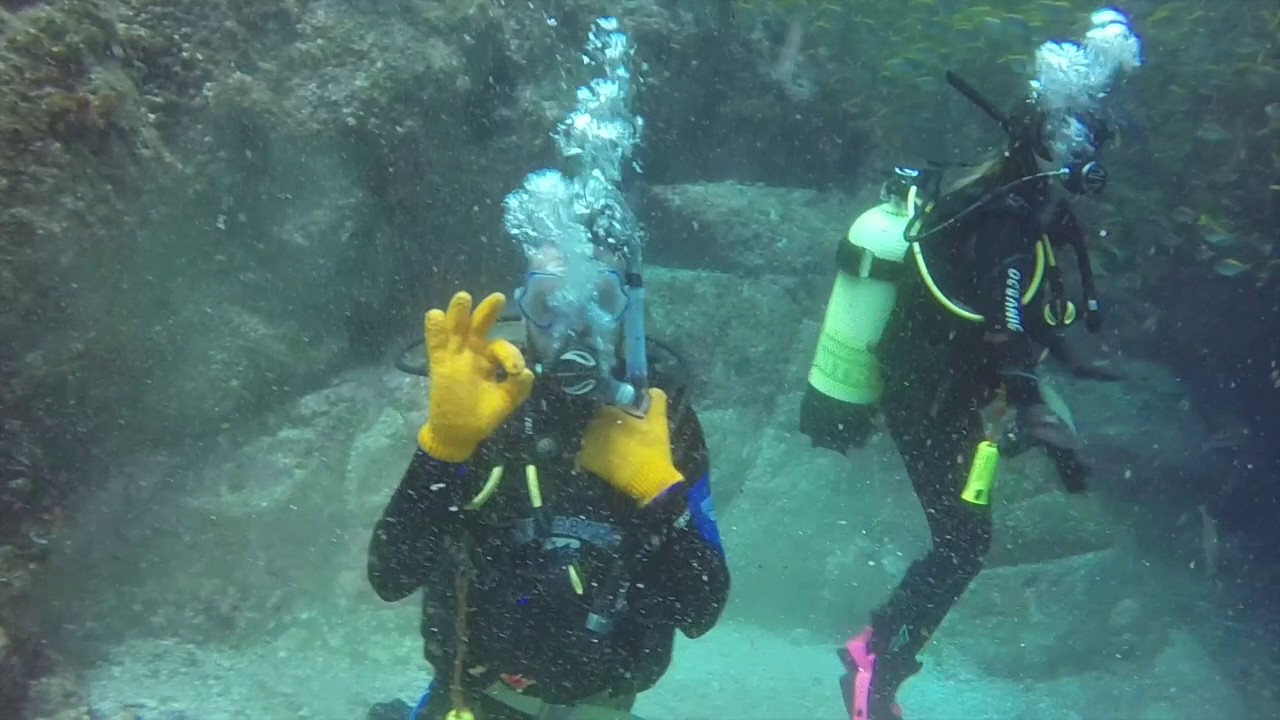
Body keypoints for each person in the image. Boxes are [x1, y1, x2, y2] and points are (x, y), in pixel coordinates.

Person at [799, 9, 1143, 719]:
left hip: (941, 391)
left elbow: (1039, 321)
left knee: (962, 540)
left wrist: (1067, 384)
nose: (1093, 156)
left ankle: (875, 649)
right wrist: (1034, 411)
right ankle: (875, 666)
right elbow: (1006, 322)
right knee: (962, 543)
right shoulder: (1009, 216)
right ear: (1051, 141)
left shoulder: (1023, 204)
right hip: (929, 395)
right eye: (1085, 138)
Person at [366, 241, 729, 720]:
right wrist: (443, 449)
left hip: (603, 708)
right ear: (523, 309)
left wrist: (659, 492)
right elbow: (391, 576)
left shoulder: (662, 422)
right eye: (548, 304)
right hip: (472, 700)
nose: (574, 327)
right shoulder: (486, 405)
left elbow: (700, 610)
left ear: (628, 311)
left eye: (600, 301)